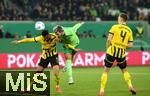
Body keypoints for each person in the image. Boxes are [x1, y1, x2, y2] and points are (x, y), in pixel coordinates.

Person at [98, 13, 136, 96]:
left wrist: (107, 49)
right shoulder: (129, 30)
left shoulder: (115, 27)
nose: (117, 19)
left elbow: (108, 40)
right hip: (121, 53)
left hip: (111, 51)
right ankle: (130, 86)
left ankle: (101, 90)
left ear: (121, 19)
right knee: (124, 71)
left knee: (106, 71)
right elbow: (131, 45)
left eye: (118, 18)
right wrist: (123, 45)